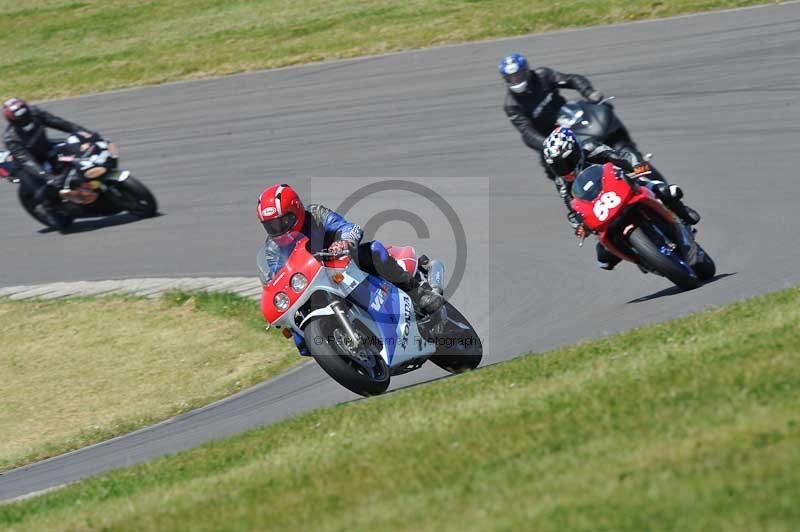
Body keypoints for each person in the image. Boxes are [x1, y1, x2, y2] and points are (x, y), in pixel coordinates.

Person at [256, 184, 444, 355]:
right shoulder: (273, 248)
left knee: (374, 250)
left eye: (283, 222)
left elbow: (347, 227)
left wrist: (344, 241)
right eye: (271, 225)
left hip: (345, 263)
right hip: (312, 283)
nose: (278, 229)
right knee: (302, 343)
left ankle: (417, 293)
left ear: (296, 210)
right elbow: (275, 276)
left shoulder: (315, 214)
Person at [542, 127, 701, 270]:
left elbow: (617, 157)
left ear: (576, 150)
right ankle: (641, 257)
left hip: (621, 184)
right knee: (603, 256)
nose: (564, 169)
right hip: (602, 207)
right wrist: (578, 224)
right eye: (558, 166)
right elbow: (572, 206)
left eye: (566, 161)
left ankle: (682, 212)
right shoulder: (561, 181)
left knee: (663, 190)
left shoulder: (590, 147)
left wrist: (635, 167)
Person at [2, 97, 96, 227]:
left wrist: (83, 132)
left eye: (26, 115)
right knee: (40, 187)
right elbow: (28, 161)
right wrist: (48, 178)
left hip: (46, 149)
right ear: (12, 121)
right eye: (20, 119)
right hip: (25, 165)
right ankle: (47, 209)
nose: (25, 120)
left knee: (76, 150)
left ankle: (86, 183)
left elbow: (58, 122)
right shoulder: (11, 138)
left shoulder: (35, 112)